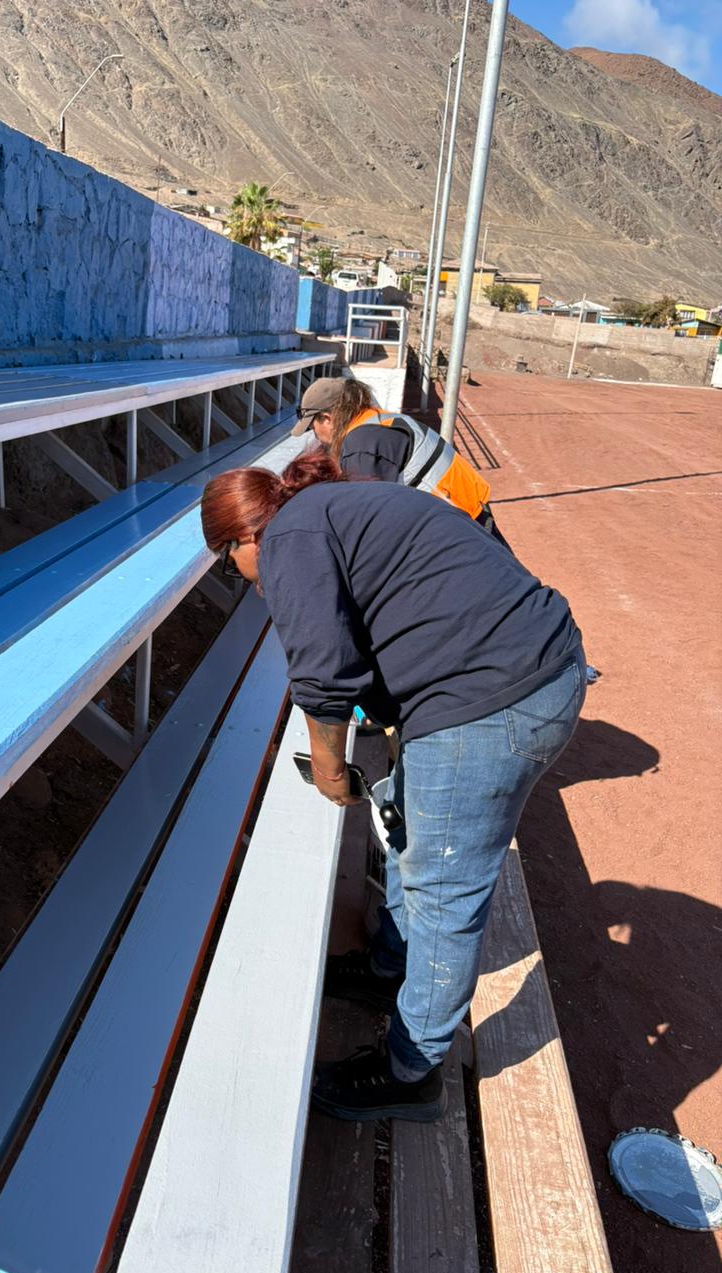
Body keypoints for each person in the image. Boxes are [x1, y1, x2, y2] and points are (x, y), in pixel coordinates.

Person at [201, 451, 585, 1123]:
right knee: (413, 825)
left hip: (494, 698)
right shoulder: (328, 511)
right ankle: (389, 966)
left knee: (443, 889)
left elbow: (321, 675)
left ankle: (413, 1070)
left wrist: (328, 769)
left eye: (226, 562)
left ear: (240, 539)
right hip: (513, 673)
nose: (240, 578)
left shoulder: (288, 537)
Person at [292, 375, 510, 545]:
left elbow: (367, 520)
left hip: (463, 523)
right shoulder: (376, 419)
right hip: (468, 509)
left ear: (328, 419)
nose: (315, 435)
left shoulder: (362, 444)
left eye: (312, 427)